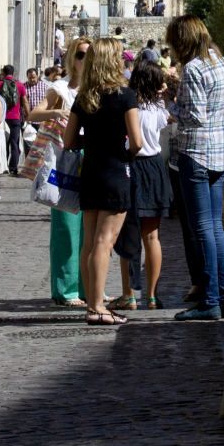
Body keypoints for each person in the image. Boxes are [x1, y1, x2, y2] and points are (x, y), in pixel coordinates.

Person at [64, 39, 143, 325]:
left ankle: (91, 301)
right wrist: (120, 147)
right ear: (114, 61)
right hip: (115, 171)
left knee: (90, 242)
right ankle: (97, 307)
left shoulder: (84, 96)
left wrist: (93, 141)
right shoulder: (125, 95)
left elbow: (69, 140)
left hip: (91, 171)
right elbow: (137, 142)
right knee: (104, 241)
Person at [166, 14, 224, 322]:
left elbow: (195, 115)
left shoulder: (194, 69)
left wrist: (169, 103)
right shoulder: (221, 63)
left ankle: (210, 300)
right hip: (220, 153)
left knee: (202, 229)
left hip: (196, 154)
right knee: (216, 228)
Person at [24, 50, 84, 308]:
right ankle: (66, 289)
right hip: (65, 159)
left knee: (92, 230)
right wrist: (56, 114)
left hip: (91, 158)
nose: (86, 58)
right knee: (67, 226)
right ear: (72, 58)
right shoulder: (61, 88)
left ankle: (89, 286)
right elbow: (34, 114)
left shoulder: (98, 87)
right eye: (81, 54)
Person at [112, 61, 172, 311]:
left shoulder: (129, 107)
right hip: (155, 167)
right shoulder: (159, 109)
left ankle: (129, 295)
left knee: (128, 234)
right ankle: (151, 295)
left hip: (133, 166)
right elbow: (167, 119)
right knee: (152, 236)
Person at [0, 65, 24, 175]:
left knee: (4, 142)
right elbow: (25, 101)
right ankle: (13, 166)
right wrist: (27, 114)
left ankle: (4, 166)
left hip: (2, 117)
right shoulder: (20, 85)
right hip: (15, 118)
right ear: (13, 73)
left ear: (3, 72)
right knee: (14, 143)